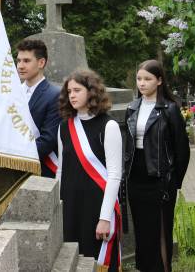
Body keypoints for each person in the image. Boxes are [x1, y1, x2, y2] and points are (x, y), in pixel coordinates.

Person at [124, 60, 190, 272]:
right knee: (142, 234)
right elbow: (129, 145)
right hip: (136, 178)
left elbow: (182, 150)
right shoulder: (132, 108)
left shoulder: (169, 110)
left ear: (159, 81)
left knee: (161, 233)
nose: (142, 83)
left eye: (147, 79)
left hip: (161, 180)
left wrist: (174, 182)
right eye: (139, 79)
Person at [56, 69, 122, 272]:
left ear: (91, 92)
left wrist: (104, 218)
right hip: (70, 207)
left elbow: (114, 175)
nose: (72, 95)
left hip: (96, 208)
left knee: (95, 261)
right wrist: (57, 209)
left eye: (77, 90)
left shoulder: (109, 126)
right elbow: (61, 170)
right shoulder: (64, 127)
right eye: (69, 91)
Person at [16, 38, 60, 177]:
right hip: (9, 171)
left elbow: (48, 140)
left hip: (40, 171)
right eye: (18, 60)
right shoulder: (12, 93)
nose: (20, 66)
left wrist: (14, 157)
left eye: (26, 61)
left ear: (41, 62)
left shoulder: (55, 95)